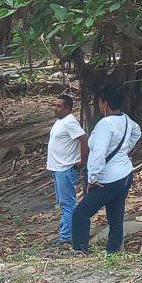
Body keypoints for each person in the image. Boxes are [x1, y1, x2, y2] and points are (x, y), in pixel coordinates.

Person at [71, 85, 142, 254]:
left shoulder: (105, 124)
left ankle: (80, 250)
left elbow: (99, 153)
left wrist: (92, 178)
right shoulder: (126, 119)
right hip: (125, 174)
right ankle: (113, 249)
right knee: (116, 214)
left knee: (80, 213)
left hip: (108, 178)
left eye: (100, 102)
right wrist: (124, 151)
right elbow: (137, 132)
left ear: (105, 104)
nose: (99, 105)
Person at [46, 94, 88, 246]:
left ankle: (66, 237)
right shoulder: (60, 121)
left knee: (68, 204)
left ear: (68, 108)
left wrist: (82, 161)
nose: (55, 108)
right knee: (63, 203)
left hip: (65, 168)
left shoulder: (70, 122)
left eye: (59, 106)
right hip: (58, 168)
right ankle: (65, 233)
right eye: (55, 105)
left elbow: (84, 139)